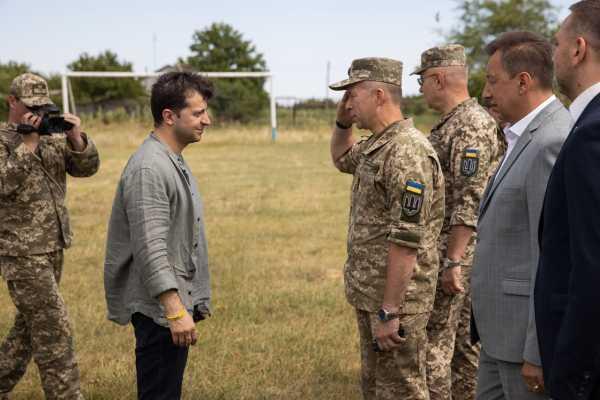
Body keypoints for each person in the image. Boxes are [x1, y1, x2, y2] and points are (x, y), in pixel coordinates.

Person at [329, 57, 445, 399]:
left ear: (379, 95)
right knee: (379, 388)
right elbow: (340, 158)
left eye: (352, 95)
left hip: (396, 302)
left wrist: (390, 311)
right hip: (373, 294)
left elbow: (407, 241)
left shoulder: (406, 152)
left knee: (402, 390)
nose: (348, 103)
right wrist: (341, 121)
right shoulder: (378, 144)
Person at [470, 32, 571, 399]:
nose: (485, 93)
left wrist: (537, 349)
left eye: (493, 80)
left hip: (524, 345)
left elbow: (550, 255)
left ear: (523, 81)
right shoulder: (521, 136)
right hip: (498, 335)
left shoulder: (551, 141)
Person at [103, 71, 213, 400]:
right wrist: (175, 310)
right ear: (169, 116)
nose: (206, 120)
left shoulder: (169, 159)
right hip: (159, 309)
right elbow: (151, 247)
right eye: (197, 113)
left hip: (168, 305)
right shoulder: (150, 167)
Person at [412, 44, 504, 400]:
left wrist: (453, 261)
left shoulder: (471, 126)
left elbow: (470, 199)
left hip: (454, 254)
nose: (419, 87)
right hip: (458, 253)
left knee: (435, 347)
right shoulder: (456, 121)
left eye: (422, 80)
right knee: (464, 346)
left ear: (438, 78)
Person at [0, 73, 99, 399]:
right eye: (31, 107)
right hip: (21, 251)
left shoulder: (52, 136)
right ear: (12, 102)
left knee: (29, 330)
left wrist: (76, 137)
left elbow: (86, 168)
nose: (38, 115)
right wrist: (28, 145)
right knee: (54, 327)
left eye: (43, 108)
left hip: (54, 245)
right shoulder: (3, 139)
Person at [535, 1, 600, 398]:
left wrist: (573, 375)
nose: (553, 54)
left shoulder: (592, 132)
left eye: (556, 44)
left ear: (577, 49)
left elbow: (592, 267)